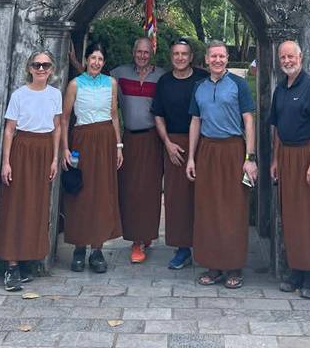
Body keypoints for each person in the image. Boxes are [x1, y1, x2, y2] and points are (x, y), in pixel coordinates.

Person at [186, 40, 257, 290]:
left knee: (234, 208)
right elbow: (195, 121)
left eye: (222, 56)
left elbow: (249, 120)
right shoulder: (199, 87)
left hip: (233, 150)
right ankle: (213, 265)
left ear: (227, 59)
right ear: (206, 60)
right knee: (208, 208)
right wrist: (192, 157)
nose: (217, 60)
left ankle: (233, 266)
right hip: (207, 150)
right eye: (213, 56)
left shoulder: (238, 85)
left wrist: (250, 158)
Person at [269, 40, 310, 299]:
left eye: (291, 56)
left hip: (309, 154)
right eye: (283, 57)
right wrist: (275, 160)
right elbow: (276, 127)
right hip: (286, 155)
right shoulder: (281, 89)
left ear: (301, 57)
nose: (287, 61)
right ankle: (296, 270)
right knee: (293, 216)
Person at [0, 50, 62, 292]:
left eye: (46, 65)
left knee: (36, 205)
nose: (41, 69)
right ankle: (11, 265)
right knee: (15, 204)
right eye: (37, 65)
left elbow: (56, 128)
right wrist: (6, 162)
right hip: (22, 149)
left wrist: (55, 158)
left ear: (52, 69)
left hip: (43, 150)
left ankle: (25, 259)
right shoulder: (19, 95)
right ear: (30, 68)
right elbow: (10, 129)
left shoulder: (55, 94)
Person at [62, 42, 122, 273]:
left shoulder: (111, 83)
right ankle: (79, 247)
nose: (96, 62)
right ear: (86, 60)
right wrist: (65, 149)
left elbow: (114, 116)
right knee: (81, 192)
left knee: (102, 193)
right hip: (82, 141)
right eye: (93, 58)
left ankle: (97, 250)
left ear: (104, 62)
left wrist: (118, 146)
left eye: (100, 59)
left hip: (106, 140)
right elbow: (65, 119)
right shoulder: (75, 84)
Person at [152, 38, 208, 270]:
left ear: (191, 56)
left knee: (203, 196)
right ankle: (182, 247)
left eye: (184, 54)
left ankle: (206, 245)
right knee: (176, 199)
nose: (180, 58)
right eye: (176, 54)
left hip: (204, 142)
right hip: (174, 143)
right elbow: (158, 114)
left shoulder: (202, 79)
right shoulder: (164, 82)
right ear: (171, 56)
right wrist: (167, 143)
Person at [112, 37, 164, 263]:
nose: (142, 56)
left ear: (152, 52)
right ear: (133, 52)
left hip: (153, 138)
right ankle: (135, 238)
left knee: (150, 190)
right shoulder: (119, 74)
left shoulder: (161, 76)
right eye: (138, 52)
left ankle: (144, 237)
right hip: (129, 139)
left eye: (146, 52)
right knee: (130, 189)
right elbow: (94, 75)